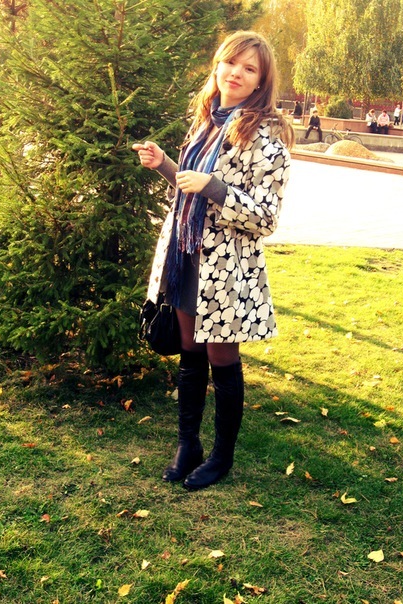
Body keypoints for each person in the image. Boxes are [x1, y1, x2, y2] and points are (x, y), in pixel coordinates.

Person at [133, 31, 293, 490]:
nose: (236, 73)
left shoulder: (267, 138)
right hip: (186, 255)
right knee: (190, 351)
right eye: (230, 63)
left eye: (249, 68)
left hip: (224, 267)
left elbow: (265, 218)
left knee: (222, 357)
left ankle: (221, 457)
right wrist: (165, 164)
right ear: (217, 65)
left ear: (261, 80)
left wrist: (215, 188)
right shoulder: (205, 120)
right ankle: (189, 445)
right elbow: (191, 186)